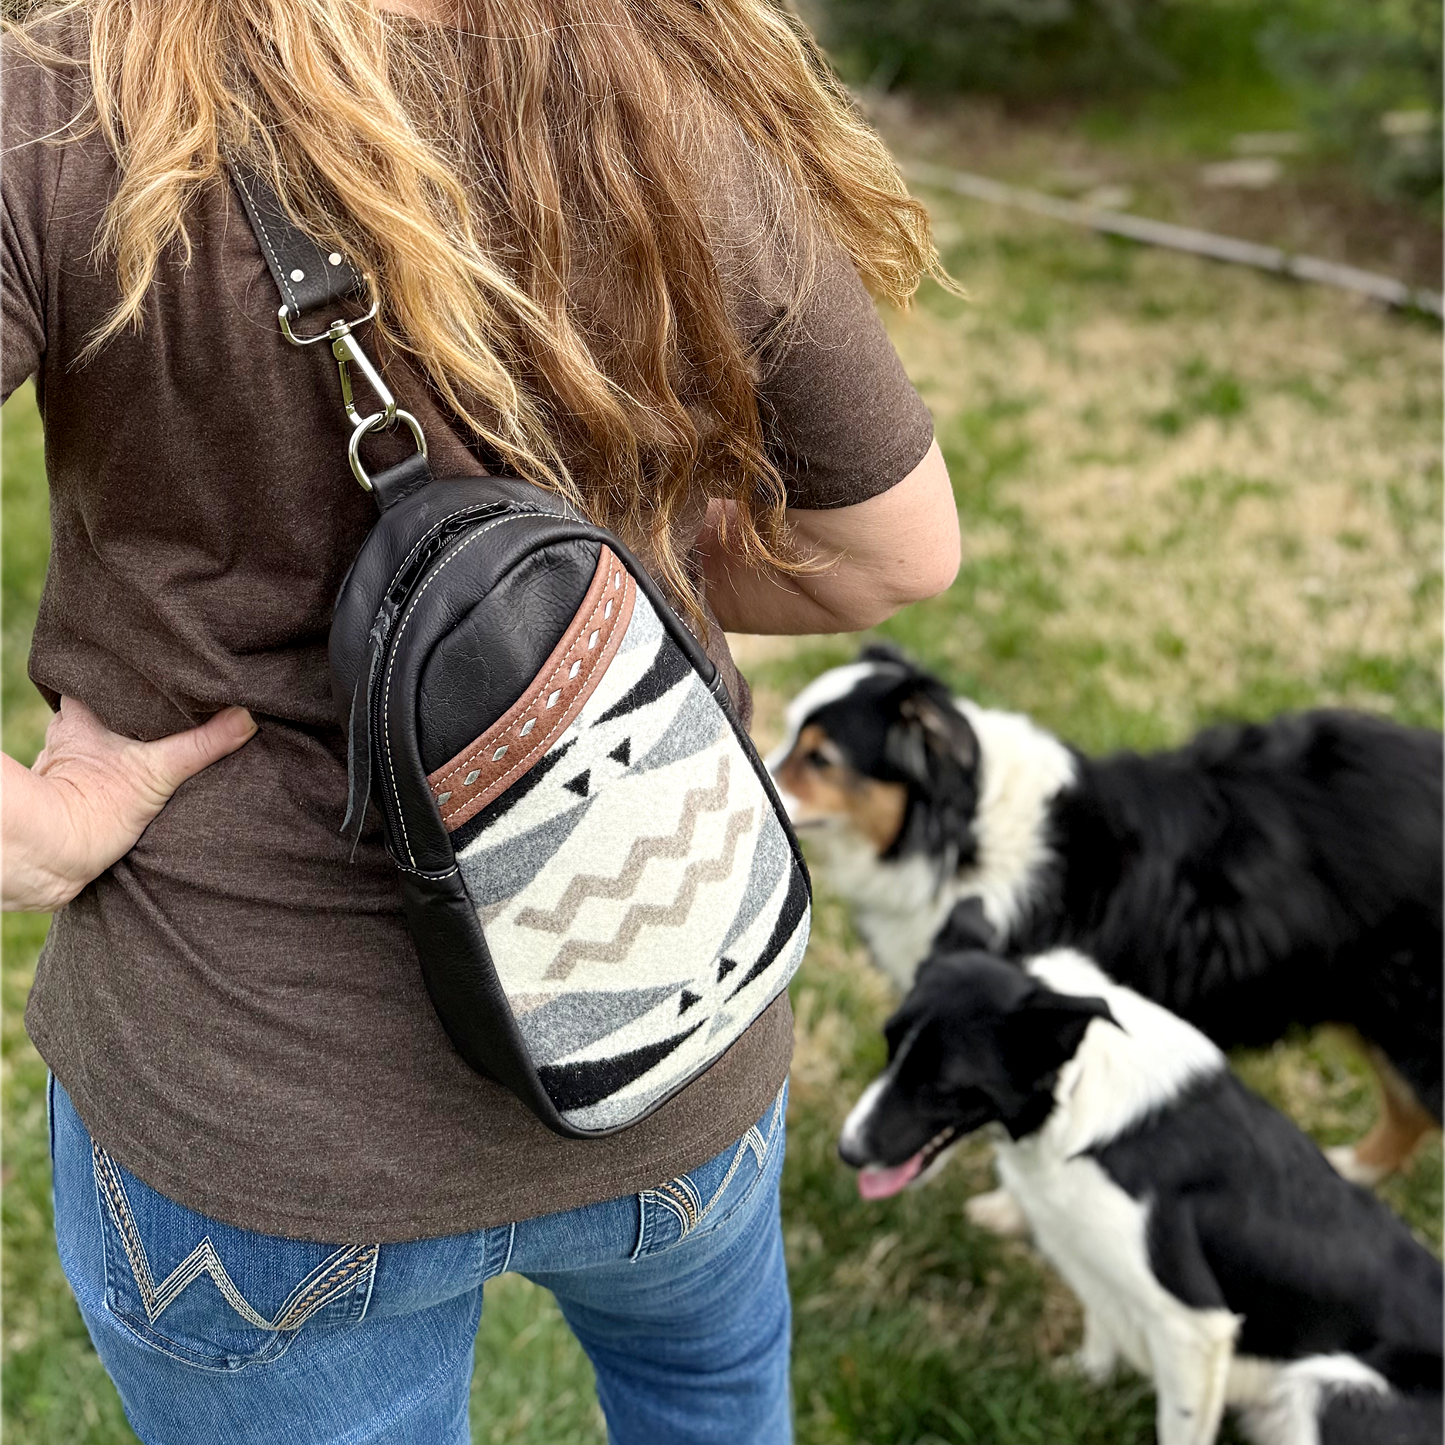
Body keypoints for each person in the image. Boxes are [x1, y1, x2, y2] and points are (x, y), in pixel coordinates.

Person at [0, 1, 960, 1440]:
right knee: (710, 1400)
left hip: (265, 1122)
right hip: (669, 1028)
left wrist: (36, 832)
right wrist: (598, 601)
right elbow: (897, 553)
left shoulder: (70, 103)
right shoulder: (667, 71)